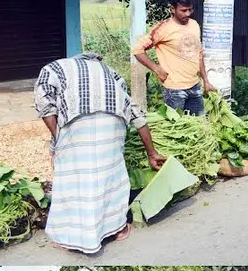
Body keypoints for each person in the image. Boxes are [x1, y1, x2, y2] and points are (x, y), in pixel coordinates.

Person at [34, 52, 166, 254]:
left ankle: (67, 238)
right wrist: (152, 153)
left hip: (75, 124)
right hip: (112, 126)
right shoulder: (111, 73)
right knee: (111, 176)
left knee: (72, 178)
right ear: (96, 60)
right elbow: (136, 114)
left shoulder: (56, 67)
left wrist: (58, 138)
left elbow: (45, 104)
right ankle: (117, 229)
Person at [131, 0, 214, 115]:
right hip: (174, 89)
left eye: (190, 10)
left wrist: (206, 81)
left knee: (199, 126)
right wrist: (157, 69)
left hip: (195, 85)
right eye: (183, 10)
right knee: (175, 128)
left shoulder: (194, 25)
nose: (188, 14)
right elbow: (137, 50)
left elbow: (199, 53)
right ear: (172, 9)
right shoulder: (163, 28)